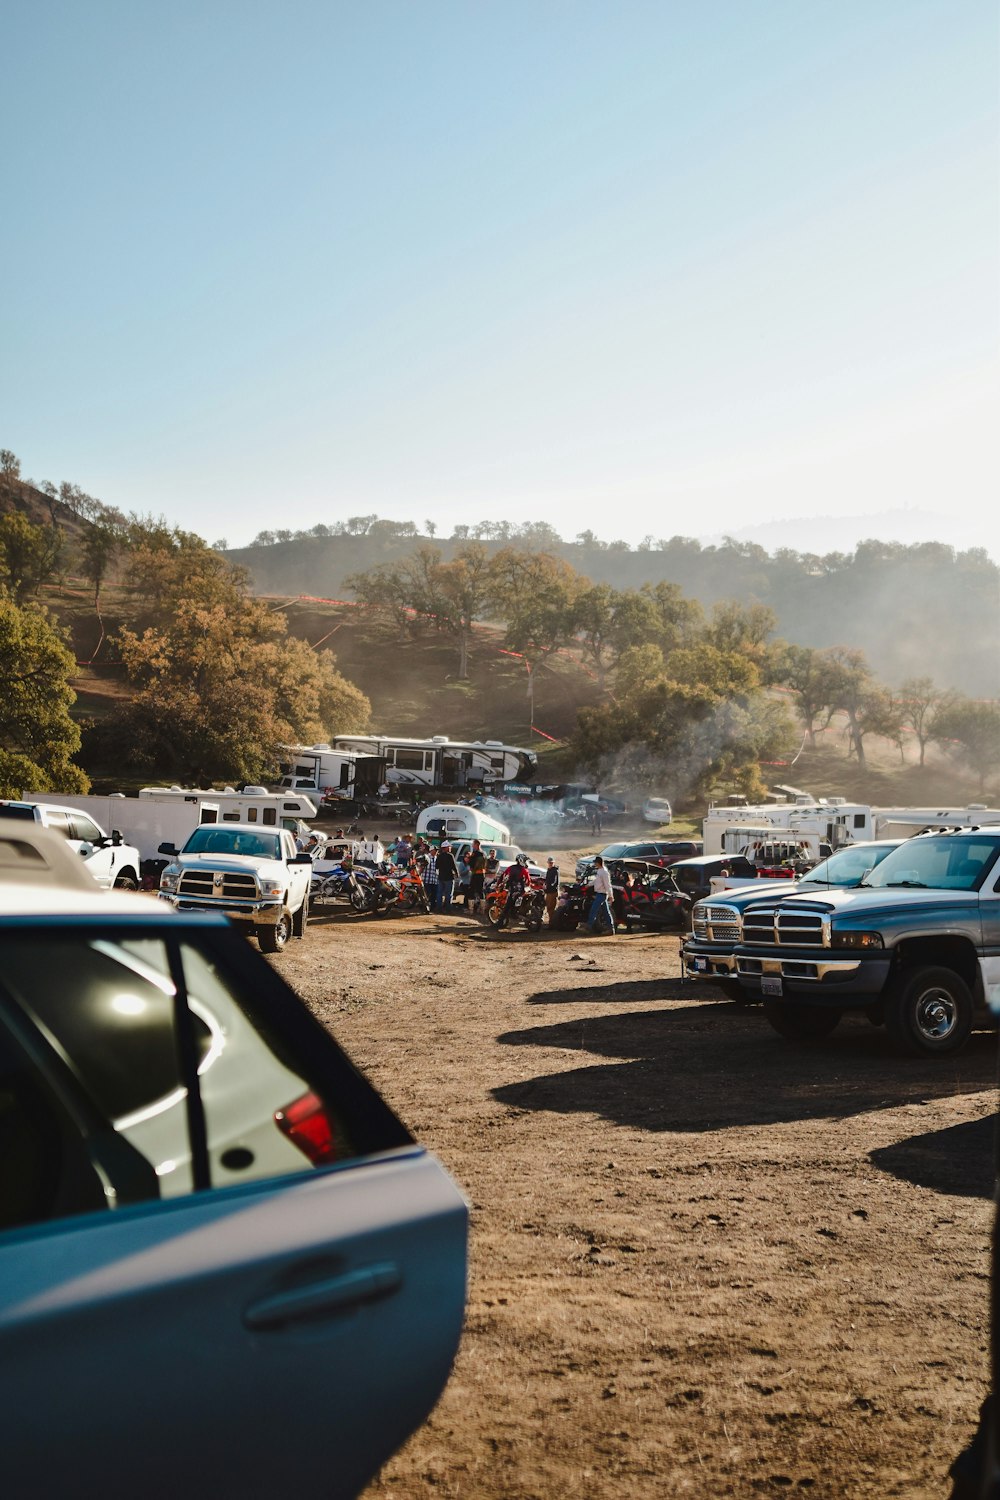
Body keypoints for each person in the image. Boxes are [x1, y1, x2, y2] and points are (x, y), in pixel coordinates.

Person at [496, 854, 529, 930]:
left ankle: (500, 921)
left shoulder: (511, 868)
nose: (525, 862)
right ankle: (515, 913)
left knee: (507, 906)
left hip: (514, 890)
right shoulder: (524, 870)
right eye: (525, 861)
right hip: (522, 890)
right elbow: (528, 880)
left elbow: (503, 875)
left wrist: (499, 883)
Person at [586, 855, 615, 936]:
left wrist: (611, 895)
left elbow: (607, 884)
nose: (595, 864)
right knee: (606, 912)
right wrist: (589, 884)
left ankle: (589, 926)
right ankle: (611, 929)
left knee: (594, 909)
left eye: (595, 862)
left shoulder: (604, 872)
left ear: (598, 863)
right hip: (600, 893)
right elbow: (597, 881)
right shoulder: (600, 871)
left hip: (602, 894)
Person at [436, 841, 458, 913]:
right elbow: (453, 866)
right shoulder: (450, 856)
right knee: (448, 894)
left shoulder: (439, 856)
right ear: (445, 848)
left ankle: (439, 908)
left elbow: (436, 866)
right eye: (449, 847)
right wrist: (457, 873)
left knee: (439, 893)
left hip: (441, 877)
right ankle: (448, 909)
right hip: (449, 877)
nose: (450, 848)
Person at [466, 839, 487, 915]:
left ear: (477, 845)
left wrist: (468, 859)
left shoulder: (475, 854)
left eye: (473, 844)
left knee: (471, 890)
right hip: (482, 874)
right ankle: (482, 909)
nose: (472, 845)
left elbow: (471, 863)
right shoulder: (484, 854)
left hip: (475, 874)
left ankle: (471, 910)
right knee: (481, 891)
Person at [422, 845, 439, 910]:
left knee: (434, 895)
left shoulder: (437, 858)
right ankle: (425, 907)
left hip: (434, 880)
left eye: (437, 850)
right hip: (426, 879)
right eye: (435, 850)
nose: (436, 852)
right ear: (431, 850)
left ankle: (432, 907)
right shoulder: (426, 857)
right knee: (427, 894)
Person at [544, 856, 560, 925]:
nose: (550, 864)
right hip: (549, 892)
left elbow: (554, 882)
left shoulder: (554, 871)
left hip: (552, 892)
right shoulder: (549, 870)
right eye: (549, 863)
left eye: (551, 863)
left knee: (551, 909)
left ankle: (552, 924)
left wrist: (548, 886)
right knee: (549, 908)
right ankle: (551, 923)